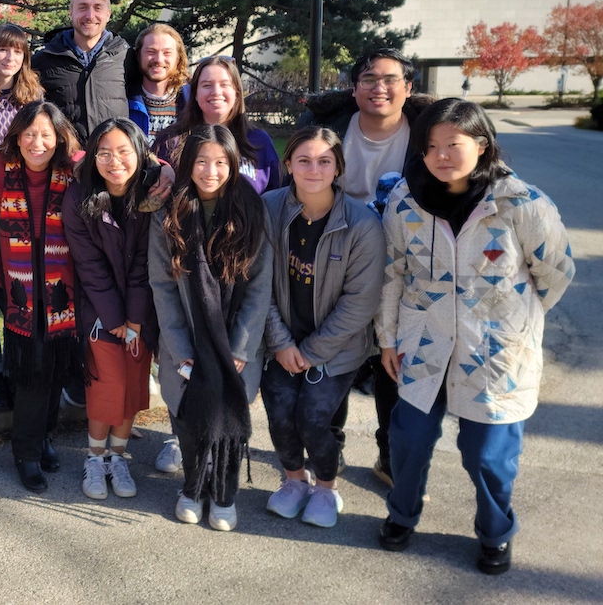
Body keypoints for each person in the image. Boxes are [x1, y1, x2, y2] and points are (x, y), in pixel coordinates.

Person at [375, 99, 574, 575]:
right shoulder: (406, 201)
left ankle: (495, 533)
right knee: (409, 440)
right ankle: (402, 515)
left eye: (454, 145)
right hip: (424, 345)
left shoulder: (522, 204)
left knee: (488, 455)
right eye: (431, 147)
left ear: (481, 145)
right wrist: (388, 338)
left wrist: (512, 321)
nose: (441, 155)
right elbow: (394, 273)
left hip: (494, 351)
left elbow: (556, 272)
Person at [299, 47, 433, 486]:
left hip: (405, 261)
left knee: (392, 359)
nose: (380, 88)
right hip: (336, 253)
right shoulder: (331, 128)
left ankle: (389, 456)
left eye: (391, 79)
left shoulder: (426, 133)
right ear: (354, 88)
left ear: (408, 88)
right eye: (369, 79)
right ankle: (328, 449)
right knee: (334, 350)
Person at [148, 125, 273, 531]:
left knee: (227, 412)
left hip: (235, 340)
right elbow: (163, 287)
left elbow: (258, 288)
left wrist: (240, 348)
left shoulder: (252, 211)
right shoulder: (170, 214)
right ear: (188, 165)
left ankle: (224, 491)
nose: (210, 171)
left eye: (221, 162)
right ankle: (193, 486)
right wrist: (180, 346)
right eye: (201, 161)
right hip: (186, 340)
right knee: (187, 413)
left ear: (234, 165)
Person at [260, 127, 385, 529]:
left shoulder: (362, 224)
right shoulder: (269, 209)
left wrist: (311, 351)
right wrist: (280, 342)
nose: (314, 169)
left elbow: (360, 302)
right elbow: (256, 282)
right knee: (279, 412)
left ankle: (327, 487)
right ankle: (295, 481)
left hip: (337, 347)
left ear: (338, 168)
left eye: (324, 161)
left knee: (313, 418)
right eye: (304, 160)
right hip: (281, 340)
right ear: (288, 165)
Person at [0, 101, 81, 491]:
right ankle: (26, 451)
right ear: (16, 137)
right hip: (14, 284)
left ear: (58, 138)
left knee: (54, 363)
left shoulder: (74, 170)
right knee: (33, 366)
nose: (38, 142)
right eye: (29, 134)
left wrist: (166, 168)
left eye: (46, 135)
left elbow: (120, 151)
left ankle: (44, 436)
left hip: (61, 285)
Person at [63, 118, 158, 501]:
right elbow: (89, 265)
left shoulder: (152, 195)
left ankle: (118, 457)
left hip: (142, 306)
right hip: (98, 309)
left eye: (123, 152)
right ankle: (95, 456)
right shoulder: (78, 197)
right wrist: (116, 319)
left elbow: (144, 262)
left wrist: (134, 317)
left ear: (138, 153)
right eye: (104, 152)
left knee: (133, 382)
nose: (114, 161)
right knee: (107, 384)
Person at [0, 23, 45, 411]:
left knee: (19, 298)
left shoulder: (34, 98)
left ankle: (20, 370)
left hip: (20, 210)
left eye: (16, 51)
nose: (8, 57)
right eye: (2, 49)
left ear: (24, 57)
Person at [155, 55, 282, 194]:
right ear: (196, 94)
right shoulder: (171, 140)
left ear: (237, 93)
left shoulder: (259, 142)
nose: (216, 92)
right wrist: (161, 168)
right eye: (207, 85)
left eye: (224, 84)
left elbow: (278, 197)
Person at [31, 0, 130, 145]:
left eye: (98, 8)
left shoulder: (126, 57)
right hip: (64, 163)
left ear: (108, 14)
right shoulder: (44, 59)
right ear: (71, 12)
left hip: (112, 162)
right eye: (82, 7)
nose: (90, 16)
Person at [127, 22, 189, 143]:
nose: (159, 59)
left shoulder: (193, 101)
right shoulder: (123, 100)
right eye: (151, 52)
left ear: (178, 59)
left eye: (167, 53)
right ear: (138, 56)